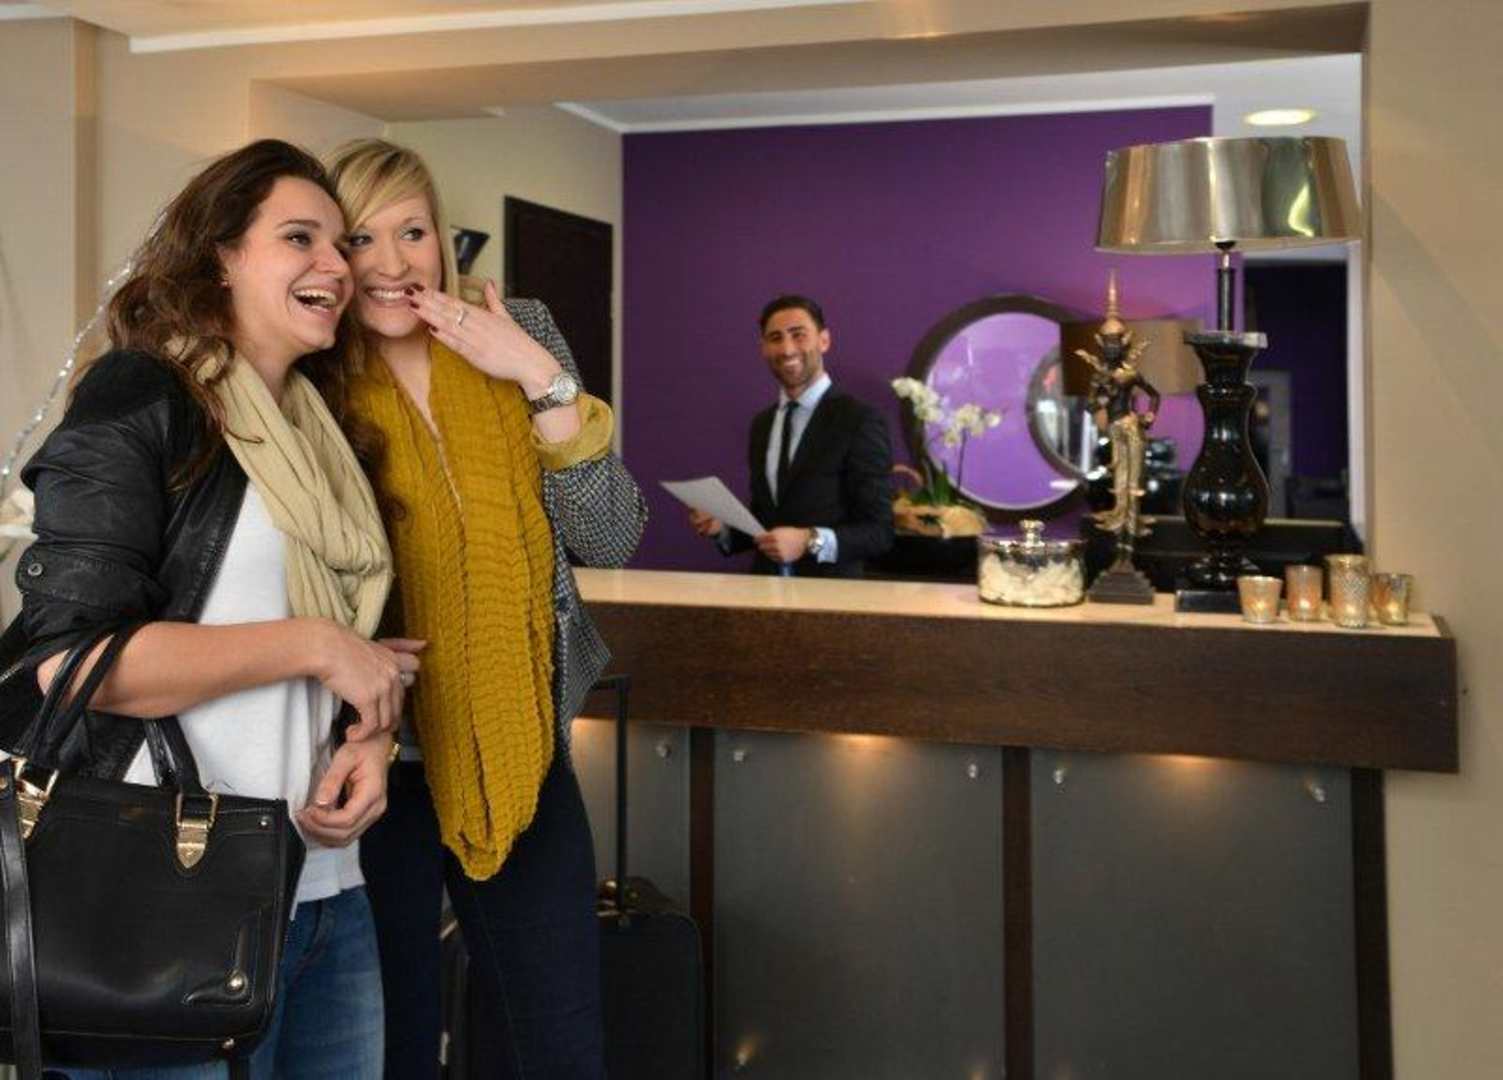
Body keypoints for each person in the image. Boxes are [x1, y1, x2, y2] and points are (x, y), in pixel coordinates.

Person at [0, 140, 419, 1078]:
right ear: (220, 256)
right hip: (155, 895)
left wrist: (370, 735)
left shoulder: (322, 430)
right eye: (299, 237)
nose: (337, 264)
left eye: (341, 242)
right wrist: (315, 645)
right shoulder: (145, 392)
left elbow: (339, 648)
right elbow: (71, 663)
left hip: (324, 890)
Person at [325, 138, 646, 1079]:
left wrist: (540, 379)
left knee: (559, 1046)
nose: (392, 263)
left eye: (412, 232)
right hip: (374, 761)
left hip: (523, 745)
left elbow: (611, 535)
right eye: (361, 238)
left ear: (443, 237)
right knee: (392, 1052)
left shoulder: (518, 330)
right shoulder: (316, 372)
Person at [689, 294, 894, 577]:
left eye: (798, 335)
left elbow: (880, 532)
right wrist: (721, 528)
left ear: (824, 340)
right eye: (775, 338)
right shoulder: (762, 425)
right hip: (765, 593)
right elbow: (768, 522)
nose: (787, 349)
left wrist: (810, 541)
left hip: (831, 597)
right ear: (763, 348)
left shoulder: (860, 420)